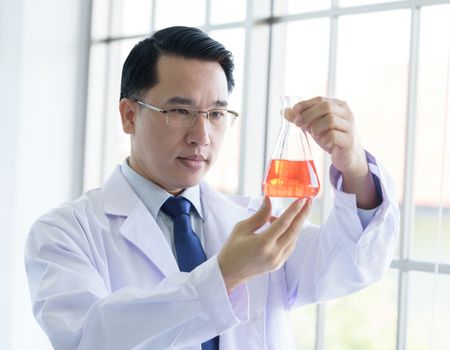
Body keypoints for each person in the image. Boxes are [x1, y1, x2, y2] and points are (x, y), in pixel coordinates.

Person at [25, 26, 399, 350]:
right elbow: (90, 338)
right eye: (180, 111)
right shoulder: (64, 233)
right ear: (128, 115)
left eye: (216, 114)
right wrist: (225, 274)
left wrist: (352, 167)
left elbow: (351, 263)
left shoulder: (255, 222)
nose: (201, 136)